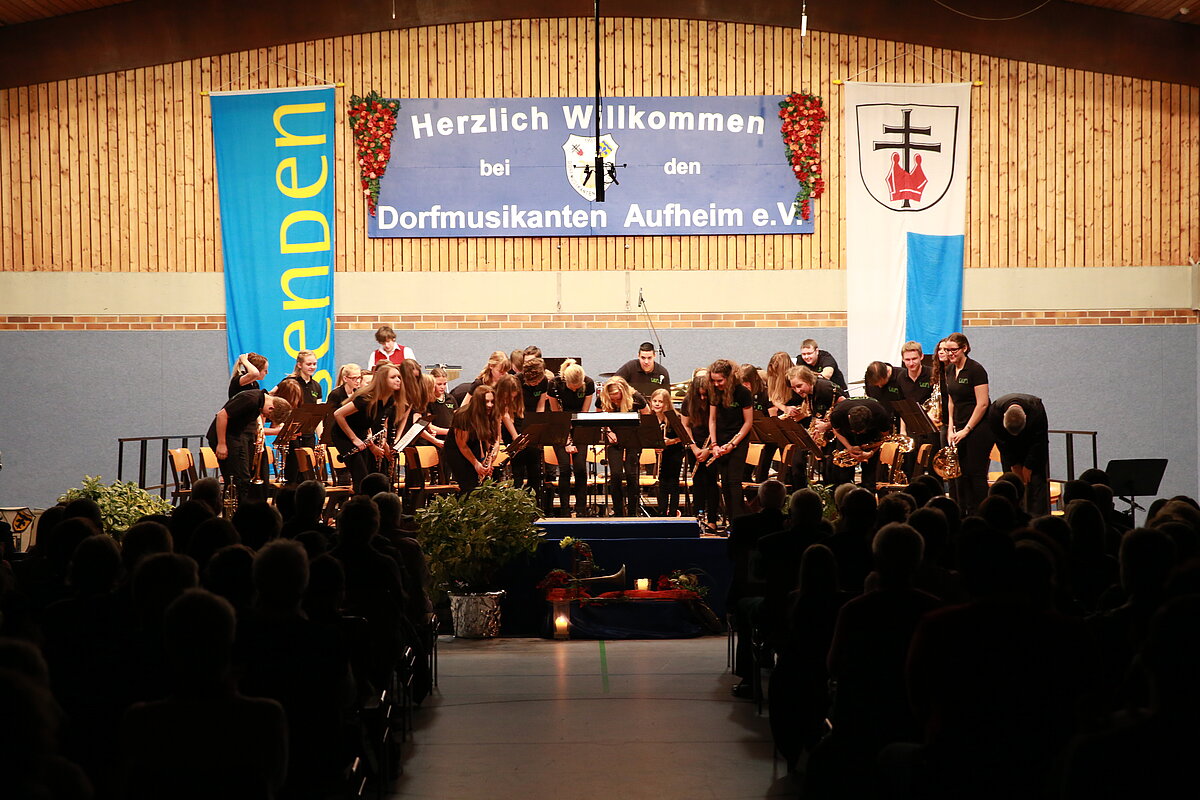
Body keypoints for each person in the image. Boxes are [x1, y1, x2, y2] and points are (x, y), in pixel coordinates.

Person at [206, 389, 292, 500]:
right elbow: (221, 415)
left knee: (244, 479)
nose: (264, 415)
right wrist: (221, 444)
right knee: (237, 479)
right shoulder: (251, 399)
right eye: (268, 415)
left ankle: (241, 506)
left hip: (236, 437)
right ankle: (235, 507)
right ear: (271, 408)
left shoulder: (259, 401)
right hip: (225, 438)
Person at [942, 332, 994, 514]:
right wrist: (950, 428)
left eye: (953, 350)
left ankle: (980, 514)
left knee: (975, 474)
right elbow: (951, 401)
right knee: (960, 474)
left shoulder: (975, 369)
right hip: (959, 428)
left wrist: (967, 429)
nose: (950, 354)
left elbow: (983, 404)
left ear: (964, 348)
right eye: (947, 350)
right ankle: (964, 514)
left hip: (978, 428)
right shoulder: (949, 370)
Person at [331, 362, 403, 493]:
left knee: (368, 477)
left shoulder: (390, 400)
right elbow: (338, 414)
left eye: (399, 377)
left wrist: (374, 440)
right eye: (393, 377)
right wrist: (354, 439)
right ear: (382, 380)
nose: (398, 380)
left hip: (362, 434)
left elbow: (373, 422)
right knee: (360, 476)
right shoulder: (367, 398)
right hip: (343, 435)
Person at [707, 358, 755, 523]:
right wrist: (714, 444)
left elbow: (748, 422)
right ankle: (730, 521)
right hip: (721, 441)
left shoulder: (742, 392)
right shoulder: (714, 392)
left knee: (734, 482)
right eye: (713, 381)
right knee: (725, 482)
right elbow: (712, 419)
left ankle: (738, 522)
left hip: (738, 440)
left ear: (729, 377)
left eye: (720, 381)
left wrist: (733, 444)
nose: (716, 384)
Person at [987, 393, 1050, 516]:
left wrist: (1029, 466)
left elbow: (1039, 441)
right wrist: (1014, 464)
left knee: (1036, 487)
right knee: (1011, 487)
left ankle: (1037, 520)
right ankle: (1012, 518)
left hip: (1033, 448)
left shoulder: (1036, 410)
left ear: (1026, 417)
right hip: (1009, 448)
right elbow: (1001, 442)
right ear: (1003, 417)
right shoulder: (995, 412)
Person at [598, 375, 648, 516]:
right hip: (614, 441)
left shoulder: (636, 398)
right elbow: (599, 416)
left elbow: (647, 415)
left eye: (617, 398)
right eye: (612, 399)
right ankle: (618, 511)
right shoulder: (603, 398)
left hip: (633, 440)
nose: (615, 401)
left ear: (623, 392)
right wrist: (608, 431)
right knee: (616, 475)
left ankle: (633, 512)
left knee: (632, 475)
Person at [550, 359, 594, 517]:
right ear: (566, 381)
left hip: (579, 425)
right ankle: (564, 510)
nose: (575, 390)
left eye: (578, 387)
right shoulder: (554, 384)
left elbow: (584, 413)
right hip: (559, 427)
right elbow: (556, 414)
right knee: (565, 469)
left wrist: (575, 438)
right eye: (572, 387)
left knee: (580, 468)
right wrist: (567, 441)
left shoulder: (588, 383)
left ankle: (581, 509)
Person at [274, 350, 324, 483]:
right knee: (293, 469)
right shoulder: (289, 382)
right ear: (299, 365)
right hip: (293, 434)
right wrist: (282, 426)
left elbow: (317, 414)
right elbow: (276, 401)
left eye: (314, 364)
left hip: (309, 433)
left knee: (308, 470)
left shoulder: (316, 386)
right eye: (309, 364)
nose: (312, 367)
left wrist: (321, 436)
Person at [828, 397, 892, 493]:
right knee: (844, 478)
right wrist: (849, 447)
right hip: (846, 437)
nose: (857, 433)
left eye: (860, 431)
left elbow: (885, 437)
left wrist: (871, 452)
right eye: (855, 431)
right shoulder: (838, 414)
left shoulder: (880, 414)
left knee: (869, 479)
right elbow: (836, 431)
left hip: (871, 439)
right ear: (849, 417)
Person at [444, 385, 499, 493]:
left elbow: (492, 441)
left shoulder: (492, 413)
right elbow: (462, 445)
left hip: (474, 444)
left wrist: (488, 463)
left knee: (484, 484)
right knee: (469, 485)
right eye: (486, 402)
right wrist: (476, 464)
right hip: (456, 451)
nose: (490, 405)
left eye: (492, 401)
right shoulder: (463, 415)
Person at [681, 369, 717, 524]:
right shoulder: (688, 401)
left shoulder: (715, 401)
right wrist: (694, 448)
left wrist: (709, 450)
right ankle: (698, 517)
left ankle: (712, 519)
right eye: (699, 395)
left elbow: (717, 425)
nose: (702, 398)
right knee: (697, 482)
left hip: (712, 446)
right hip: (694, 446)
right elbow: (685, 425)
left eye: (705, 395)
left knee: (711, 482)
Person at [649, 388, 685, 517]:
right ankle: (662, 511)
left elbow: (683, 437)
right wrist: (655, 445)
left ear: (667, 403)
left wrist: (670, 442)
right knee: (662, 482)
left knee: (673, 482)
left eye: (660, 401)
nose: (657, 404)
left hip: (675, 452)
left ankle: (673, 512)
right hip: (661, 453)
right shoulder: (651, 419)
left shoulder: (674, 417)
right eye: (655, 401)